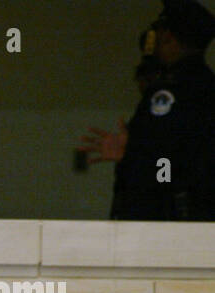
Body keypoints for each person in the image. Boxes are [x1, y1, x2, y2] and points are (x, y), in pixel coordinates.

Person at [79, 0, 215, 220]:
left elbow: (168, 164)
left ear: (168, 36)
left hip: (166, 222)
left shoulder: (174, 90)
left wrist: (132, 155)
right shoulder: (204, 86)